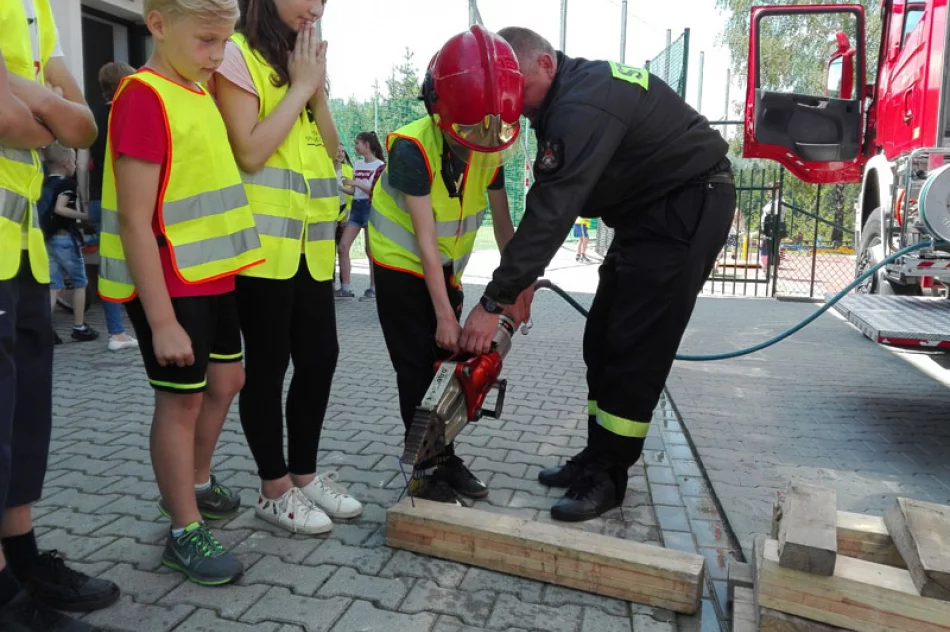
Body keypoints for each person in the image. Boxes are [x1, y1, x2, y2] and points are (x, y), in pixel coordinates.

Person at [459, 27, 736, 522]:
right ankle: (595, 455)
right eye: (506, 95)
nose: (514, 104)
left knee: (633, 349)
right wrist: (518, 283)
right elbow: (552, 202)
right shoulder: (565, 97)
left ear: (547, 63)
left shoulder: (580, 104)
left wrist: (493, 301)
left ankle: (608, 477)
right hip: (649, 215)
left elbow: (552, 211)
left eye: (519, 89)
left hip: (685, 207)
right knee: (603, 338)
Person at [97, 0, 265, 585]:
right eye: (207, 42)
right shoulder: (143, 96)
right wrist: (161, 319)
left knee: (227, 381)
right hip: (171, 286)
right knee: (180, 403)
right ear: (159, 25)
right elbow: (134, 221)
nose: (218, 57)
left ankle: (194, 482)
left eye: (225, 43)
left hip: (212, 278)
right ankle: (183, 529)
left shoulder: (196, 90)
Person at [214, 0, 363, 535]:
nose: (317, 7)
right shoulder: (235, 57)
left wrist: (315, 90)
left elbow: (332, 154)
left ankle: (304, 473)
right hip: (261, 248)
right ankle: (272, 487)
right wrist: (300, 88)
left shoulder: (303, 65)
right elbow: (250, 153)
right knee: (270, 364)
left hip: (310, 245)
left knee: (321, 357)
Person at [368, 25, 528, 504]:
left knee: (448, 368)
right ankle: (422, 468)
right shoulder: (410, 148)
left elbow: (504, 225)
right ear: (439, 109)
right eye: (467, 132)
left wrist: (519, 285)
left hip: (447, 271)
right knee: (417, 369)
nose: (476, 144)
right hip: (401, 268)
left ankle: (444, 456)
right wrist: (443, 314)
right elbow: (422, 238)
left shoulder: (489, 139)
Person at [1, 1, 122, 628]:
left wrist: (23, 93)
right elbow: (19, 124)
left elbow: (80, 127)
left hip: (20, 250)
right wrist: (40, 108)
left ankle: (19, 562)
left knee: (21, 425)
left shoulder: (35, 6)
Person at [78, 61, 138, 351]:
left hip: (100, 196)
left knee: (110, 264)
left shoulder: (93, 117)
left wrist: (85, 198)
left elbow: (81, 161)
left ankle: (116, 331)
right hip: (132, 194)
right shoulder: (131, 111)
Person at [41, 143, 99, 343]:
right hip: (65, 238)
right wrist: (83, 214)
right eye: (74, 160)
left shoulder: (44, 183)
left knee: (54, 285)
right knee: (80, 283)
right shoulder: (68, 184)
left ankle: (45, 328)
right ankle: (79, 326)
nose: (75, 164)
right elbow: (60, 208)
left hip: (47, 239)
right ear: (66, 163)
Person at [337, 131, 384, 300]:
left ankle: (373, 287)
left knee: (370, 250)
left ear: (367, 145)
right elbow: (354, 190)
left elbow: (375, 191)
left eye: (358, 143)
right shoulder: (357, 164)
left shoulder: (380, 166)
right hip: (357, 208)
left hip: (371, 208)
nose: (355, 146)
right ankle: (346, 287)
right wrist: (342, 187)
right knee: (343, 246)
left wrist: (355, 183)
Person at [333, 144, 353, 286]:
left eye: (342, 151)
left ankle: (345, 286)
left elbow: (354, 193)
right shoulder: (325, 169)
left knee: (343, 249)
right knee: (329, 252)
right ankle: (330, 282)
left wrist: (346, 213)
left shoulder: (349, 171)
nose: (340, 154)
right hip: (329, 214)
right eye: (338, 151)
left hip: (344, 213)